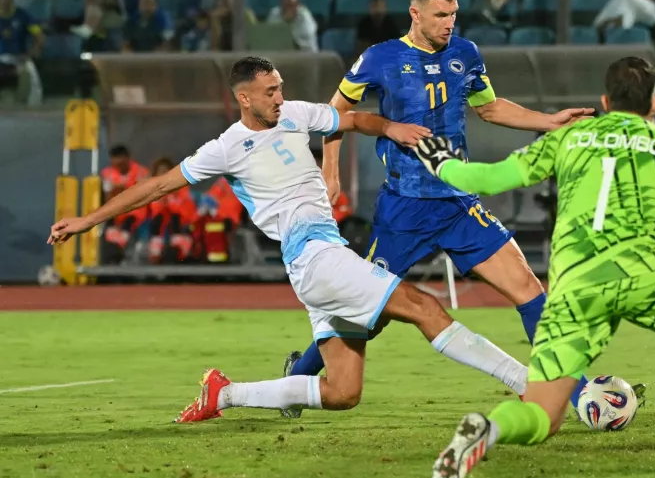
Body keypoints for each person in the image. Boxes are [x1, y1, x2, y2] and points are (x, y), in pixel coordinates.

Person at [48, 56, 531, 422]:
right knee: (427, 310)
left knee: (343, 392)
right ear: (244, 98)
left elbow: (353, 120)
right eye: (269, 92)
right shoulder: (226, 148)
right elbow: (156, 187)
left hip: (322, 260)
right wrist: (89, 220)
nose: (280, 98)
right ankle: (529, 384)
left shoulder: (297, 114)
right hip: (314, 258)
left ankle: (224, 394)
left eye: (280, 88)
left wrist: (391, 128)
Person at [410, 57, 655, 478]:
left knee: (542, 415)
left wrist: (444, 166)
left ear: (605, 102)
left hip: (573, 289)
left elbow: (494, 179)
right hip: (644, 275)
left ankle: (488, 430)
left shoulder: (568, 137)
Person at [282, 0, 612, 420]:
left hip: (458, 203)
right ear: (415, 13)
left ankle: (577, 395)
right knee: (365, 316)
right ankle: (298, 376)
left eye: (454, 14)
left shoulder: (465, 53)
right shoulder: (381, 58)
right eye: (440, 15)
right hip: (404, 209)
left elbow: (490, 107)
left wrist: (549, 121)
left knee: (529, 289)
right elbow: (334, 114)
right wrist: (331, 170)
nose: (449, 23)